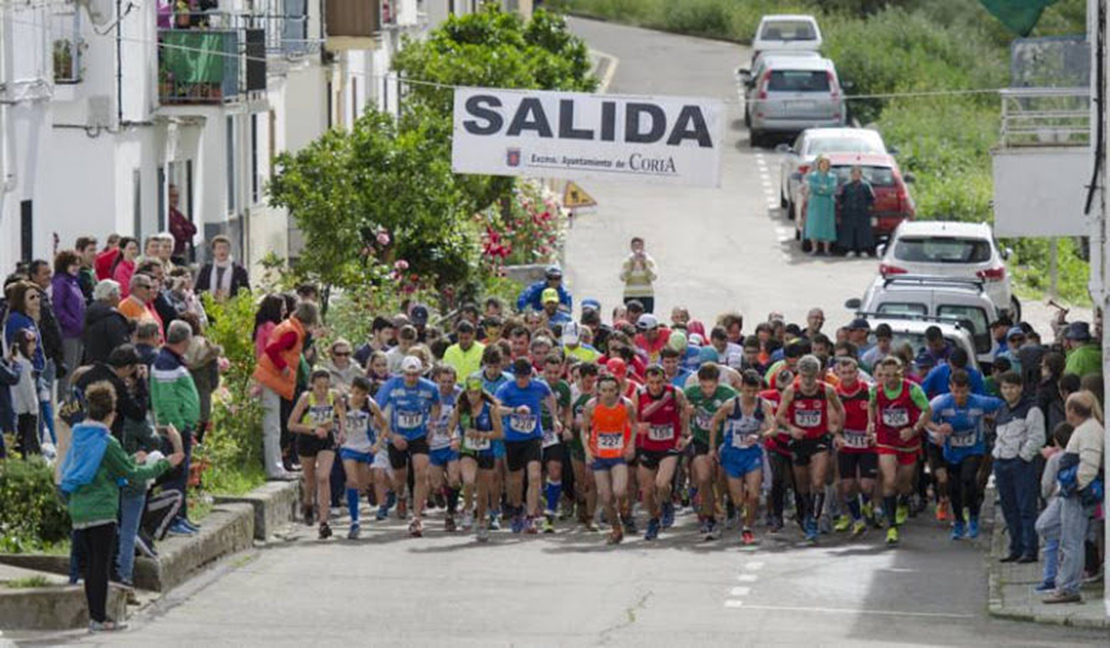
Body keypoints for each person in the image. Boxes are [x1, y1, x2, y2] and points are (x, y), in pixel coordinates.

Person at [60, 381, 182, 633]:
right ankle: (99, 618)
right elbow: (131, 474)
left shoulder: (80, 435)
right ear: (111, 414)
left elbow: (99, 468)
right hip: (102, 511)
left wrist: (127, 460)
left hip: (80, 510)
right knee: (100, 566)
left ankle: (95, 617)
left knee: (90, 565)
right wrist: (165, 464)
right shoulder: (107, 441)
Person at [927, 369, 1004, 540]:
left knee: (968, 479)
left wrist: (996, 421)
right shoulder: (941, 403)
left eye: (963, 392)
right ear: (950, 388)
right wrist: (938, 428)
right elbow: (925, 418)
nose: (960, 396)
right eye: (956, 391)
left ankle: (974, 517)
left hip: (974, 449)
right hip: (952, 452)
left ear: (969, 389)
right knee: (954, 488)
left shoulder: (979, 402)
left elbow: (1002, 405)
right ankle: (960, 522)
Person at [1044, 392, 1105, 604]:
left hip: (1076, 493)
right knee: (1047, 527)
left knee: (1072, 542)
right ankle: (1067, 582)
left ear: (1071, 410)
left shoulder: (1089, 431)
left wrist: (1075, 486)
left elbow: (1088, 465)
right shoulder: (1087, 428)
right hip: (1070, 491)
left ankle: (1068, 587)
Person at [777, 354, 844, 543]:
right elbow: (780, 416)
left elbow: (840, 410)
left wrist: (837, 431)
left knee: (818, 481)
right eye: (804, 376)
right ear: (799, 373)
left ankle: (814, 522)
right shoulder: (791, 390)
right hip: (799, 441)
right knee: (802, 485)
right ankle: (806, 515)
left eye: (811, 376)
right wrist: (791, 428)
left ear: (818, 374)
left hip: (819, 440)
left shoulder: (827, 390)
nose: (807, 381)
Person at [253, 301, 320, 481]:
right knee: (272, 427)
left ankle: (277, 466)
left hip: (270, 379)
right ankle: (274, 469)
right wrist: (284, 369)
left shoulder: (288, 326)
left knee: (274, 426)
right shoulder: (292, 332)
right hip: (272, 380)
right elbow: (273, 350)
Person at [868, 356, 931, 545]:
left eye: (893, 375)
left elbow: (927, 411)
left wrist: (914, 429)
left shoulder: (912, 390)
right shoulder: (876, 390)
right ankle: (892, 526)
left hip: (908, 442)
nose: (889, 379)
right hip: (886, 440)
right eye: (885, 375)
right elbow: (871, 406)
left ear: (901, 373)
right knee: (889, 479)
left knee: (904, 483)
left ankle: (904, 500)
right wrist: (871, 423)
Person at [376, 355, 441, 537]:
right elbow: (376, 414)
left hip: (419, 435)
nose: (411, 378)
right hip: (397, 435)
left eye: (415, 374)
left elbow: (437, 405)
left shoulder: (429, 387)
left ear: (420, 373)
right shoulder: (391, 386)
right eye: (408, 375)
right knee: (399, 476)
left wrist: (432, 424)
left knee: (421, 473)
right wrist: (391, 435)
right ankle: (401, 495)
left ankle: (417, 518)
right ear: (402, 373)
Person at [496, 357, 561, 534]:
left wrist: (555, 418)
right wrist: (514, 410)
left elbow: (550, 398)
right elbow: (496, 408)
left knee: (534, 476)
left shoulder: (539, 386)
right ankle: (517, 510)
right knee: (516, 480)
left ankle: (530, 518)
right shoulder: (506, 388)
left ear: (530, 374)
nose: (522, 381)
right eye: (519, 377)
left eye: (525, 377)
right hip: (513, 439)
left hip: (533, 437)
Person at [710, 370, 773, 545]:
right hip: (732, 454)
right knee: (738, 501)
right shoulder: (730, 405)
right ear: (741, 387)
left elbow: (772, 427)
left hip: (752, 453)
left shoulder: (763, 405)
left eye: (755, 391)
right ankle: (741, 507)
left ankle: (747, 528)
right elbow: (715, 422)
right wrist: (712, 448)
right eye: (748, 391)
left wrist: (759, 436)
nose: (751, 395)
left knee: (754, 495)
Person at [150, 320, 201, 535]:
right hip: (175, 431)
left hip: (181, 428)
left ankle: (181, 516)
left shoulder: (172, 360)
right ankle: (172, 520)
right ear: (186, 340)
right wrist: (179, 428)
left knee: (181, 475)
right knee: (175, 474)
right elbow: (168, 400)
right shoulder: (166, 362)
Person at [993, 370, 1045, 563]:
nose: (1008, 391)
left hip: (1021, 465)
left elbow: (1037, 437)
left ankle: (1030, 550)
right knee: (1009, 508)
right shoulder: (1002, 410)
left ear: (1020, 388)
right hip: (1001, 463)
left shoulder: (1032, 409)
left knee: (1026, 508)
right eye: (1005, 387)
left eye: (1012, 387)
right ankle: (1015, 548)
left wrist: (1022, 457)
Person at [288, 370, 345, 539]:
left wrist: (342, 430)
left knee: (323, 477)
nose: (322, 391)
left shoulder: (334, 396)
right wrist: (313, 429)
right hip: (307, 440)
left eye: (326, 387)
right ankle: (307, 504)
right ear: (312, 385)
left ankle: (323, 522)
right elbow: (291, 424)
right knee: (310, 479)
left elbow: (341, 412)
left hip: (326, 440)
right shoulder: (306, 398)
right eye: (319, 387)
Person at [634, 365, 688, 540]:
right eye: (651, 382)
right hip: (647, 445)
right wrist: (638, 427)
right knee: (647, 491)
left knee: (662, 483)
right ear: (646, 381)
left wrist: (684, 434)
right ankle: (653, 519)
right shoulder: (639, 394)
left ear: (665, 380)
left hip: (669, 445)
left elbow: (685, 411)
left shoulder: (674, 393)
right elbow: (630, 419)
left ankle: (666, 502)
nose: (655, 386)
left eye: (659, 382)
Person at [684, 363, 737, 540]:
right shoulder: (691, 393)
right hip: (701, 441)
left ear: (717, 382)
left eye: (711, 386)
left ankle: (727, 503)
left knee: (722, 476)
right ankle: (709, 517)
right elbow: (680, 410)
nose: (707, 391)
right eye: (704, 386)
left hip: (724, 441)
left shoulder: (728, 393)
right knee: (704, 477)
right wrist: (687, 412)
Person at [583, 374, 637, 545]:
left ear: (617, 391)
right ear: (598, 391)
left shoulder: (626, 405)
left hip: (619, 455)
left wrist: (631, 445)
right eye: (604, 390)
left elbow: (634, 424)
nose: (607, 394)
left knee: (619, 491)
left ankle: (624, 509)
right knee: (606, 498)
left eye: (611, 390)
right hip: (599, 455)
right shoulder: (591, 406)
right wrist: (587, 451)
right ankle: (616, 528)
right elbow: (584, 430)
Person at [451, 375, 504, 542]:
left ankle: (481, 522)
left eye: (475, 393)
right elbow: (451, 427)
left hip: (486, 451)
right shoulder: (461, 407)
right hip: (467, 450)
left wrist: (481, 434)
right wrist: (454, 438)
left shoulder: (491, 409)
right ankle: (468, 509)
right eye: (469, 393)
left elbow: (499, 433)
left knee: (483, 492)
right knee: (468, 480)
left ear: (481, 393)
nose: (472, 397)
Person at [832, 357, 876, 535]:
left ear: (857, 373)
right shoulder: (834, 394)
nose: (848, 376)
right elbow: (830, 419)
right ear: (838, 374)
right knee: (847, 486)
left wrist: (874, 430)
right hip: (847, 443)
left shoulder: (869, 391)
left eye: (851, 372)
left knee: (866, 485)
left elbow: (878, 413)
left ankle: (867, 503)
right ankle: (857, 519)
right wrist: (837, 435)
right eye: (844, 373)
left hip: (867, 443)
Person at [1034, 422, 1073, 593]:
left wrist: (1045, 495)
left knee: (1051, 543)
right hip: (1073, 504)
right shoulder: (1077, 456)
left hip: (1054, 502)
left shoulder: (1054, 459)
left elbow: (1046, 484)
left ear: (1056, 441)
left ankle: (1050, 577)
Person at [427, 365, 463, 532]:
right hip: (434, 444)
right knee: (435, 483)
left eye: (450, 382)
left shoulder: (460, 395)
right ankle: (438, 492)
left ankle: (450, 514)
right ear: (436, 380)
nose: (447, 385)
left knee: (454, 479)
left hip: (452, 443)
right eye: (443, 382)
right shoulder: (429, 394)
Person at [539, 354, 572, 533]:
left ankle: (550, 511)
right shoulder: (535, 384)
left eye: (556, 372)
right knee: (537, 473)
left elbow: (567, 409)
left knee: (555, 469)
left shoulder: (563, 387)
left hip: (553, 434)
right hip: (535, 434)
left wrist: (566, 426)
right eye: (549, 372)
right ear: (543, 371)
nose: (552, 376)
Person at [568, 362, 600, 530]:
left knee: (592, 481)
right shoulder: (572, 391)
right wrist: (573, 422)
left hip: (594, 442)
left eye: (593, 381)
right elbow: (565, 414)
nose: (590, 385)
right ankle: (580, 505)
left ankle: (591, 516)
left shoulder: (599, 392)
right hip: (576, 442)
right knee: (581, 482)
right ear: (579, 376)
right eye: (587, 381)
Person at [51, 251, 86, 396]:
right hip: (68, 334)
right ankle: (63, 406)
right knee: (68, 373)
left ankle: (71, 405)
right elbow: (58, 309)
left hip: (78, 333)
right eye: (72, 264)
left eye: (78, 264)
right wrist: (74, 324)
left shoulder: (73, 282)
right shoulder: (61, 282)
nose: (76, 267)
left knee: (74, 372)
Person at [82, 280, 131, 365]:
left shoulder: (91, 313)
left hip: (92, 362)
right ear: (109, 296)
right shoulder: (112, 318)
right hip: (110, 365)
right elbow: (121, 346)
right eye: (118, 295)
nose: (120, 298)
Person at [836, 165, 876, 256]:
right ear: (851, 174)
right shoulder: (846, 186)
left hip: (862, 213)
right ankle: (850, 249)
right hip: (849, 213)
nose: (856, 175)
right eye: (854, 173)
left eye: (858, 174)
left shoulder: (866, 186)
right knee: (849, 232)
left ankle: (863, 250)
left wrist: (869, 207)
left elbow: (871, 198)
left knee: (863, 232)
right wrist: (842, 207)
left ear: (861, 175)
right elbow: (841, 198)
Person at [194, 235, 250, 300]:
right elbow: (198, 291)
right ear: (214, 251)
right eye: (219, 248)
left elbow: (246, 292)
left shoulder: (239, 271)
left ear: (229, 250)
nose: (222, 251)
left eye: (224, 248)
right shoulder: (206, 270)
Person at [803, 155, 838, 256]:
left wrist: (821, 189)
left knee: (827, 226)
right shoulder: (813, 176)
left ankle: (826, 249)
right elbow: (813, 187)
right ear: (819, 165)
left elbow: (832, 189)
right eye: (822, 163)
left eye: (826, 164)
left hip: (827, 204)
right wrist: (822, 188)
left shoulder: (832, 177)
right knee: (814, 225)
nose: (824, 166)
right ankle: (814, 248)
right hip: (815, 202)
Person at [118, 274, 164, 339]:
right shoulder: (125, 306)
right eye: (147, 287)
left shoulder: (144, 306)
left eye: (151, 287)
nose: (150, 291)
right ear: (136, 287)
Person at [620, 237, 658, 313]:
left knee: (646, 317)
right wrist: (631, 266)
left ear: (643, 246)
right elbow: (622, 278)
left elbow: (653, 277)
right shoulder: (627, 261)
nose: (637, 248)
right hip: (630, 295)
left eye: (639, 245)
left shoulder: (649, 260)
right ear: (631, 247)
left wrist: (644, 266)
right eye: (635, 246)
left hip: (646, 295)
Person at [167, 185, 197, 264]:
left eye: (177, 196)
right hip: (171, 256)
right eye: (172, 196)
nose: (176, 200)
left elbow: (193, 229)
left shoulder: (176, 214)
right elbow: (178, 234)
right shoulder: (167, 214)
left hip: (180, 254)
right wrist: (182, 230)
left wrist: (181, 228)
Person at [75, 236, 98, 304]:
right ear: (79, 251)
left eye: (95, 250)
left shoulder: (91, 271)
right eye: (91, 250)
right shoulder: (76, 274)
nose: (94, 253)